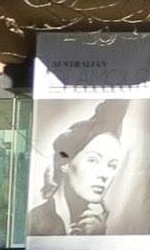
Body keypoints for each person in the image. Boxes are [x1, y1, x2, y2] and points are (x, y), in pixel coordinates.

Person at [27, 101, 126, 236]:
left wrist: (98, 236)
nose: (104, 175)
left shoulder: (98, 222)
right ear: (65, 163)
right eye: (93, 160)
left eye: (112, 165)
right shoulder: (36, 222)